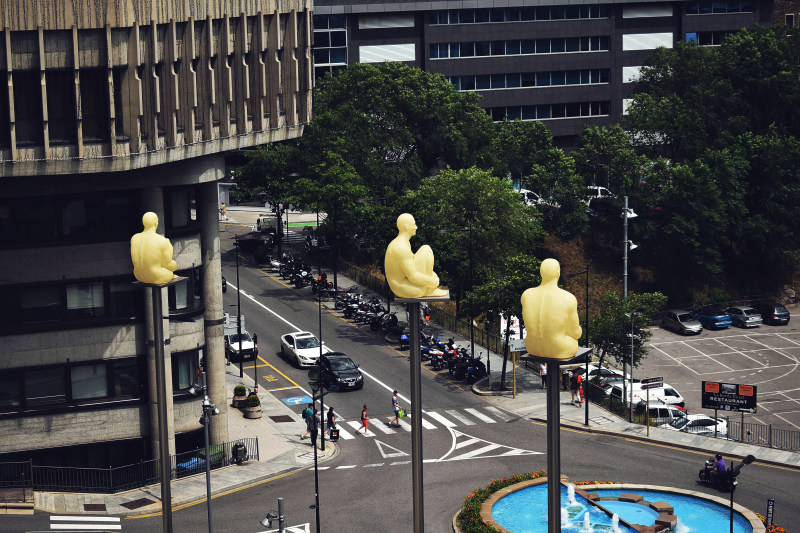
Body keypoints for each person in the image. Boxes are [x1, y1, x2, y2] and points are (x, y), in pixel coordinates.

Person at [521, 258, 582, 360]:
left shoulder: (526, 295)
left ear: (541, 273)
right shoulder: (568, 298)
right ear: (558, 273)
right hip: (559, 349)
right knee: (574, 341)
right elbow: (576, 333)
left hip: (531, 347)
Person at [385, 213, 449, 299]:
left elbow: (413, 264)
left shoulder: (403, 243)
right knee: (426, 250)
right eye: (414, 224)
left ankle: (429, 288)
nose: (416, 227)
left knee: (426, 250)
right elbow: (413, 277)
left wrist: (430, 278)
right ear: (407, 227)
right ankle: (429, 289)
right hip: (403, 288)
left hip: (405, 283)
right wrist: (433, 282)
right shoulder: (401, 247)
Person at [130, 212, 178, 285]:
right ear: (156, 222)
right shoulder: (161, 240)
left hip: (138, 276)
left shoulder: (134, 238)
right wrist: (175, 264)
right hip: (156, 276)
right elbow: (168, 265)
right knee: (171, 273)